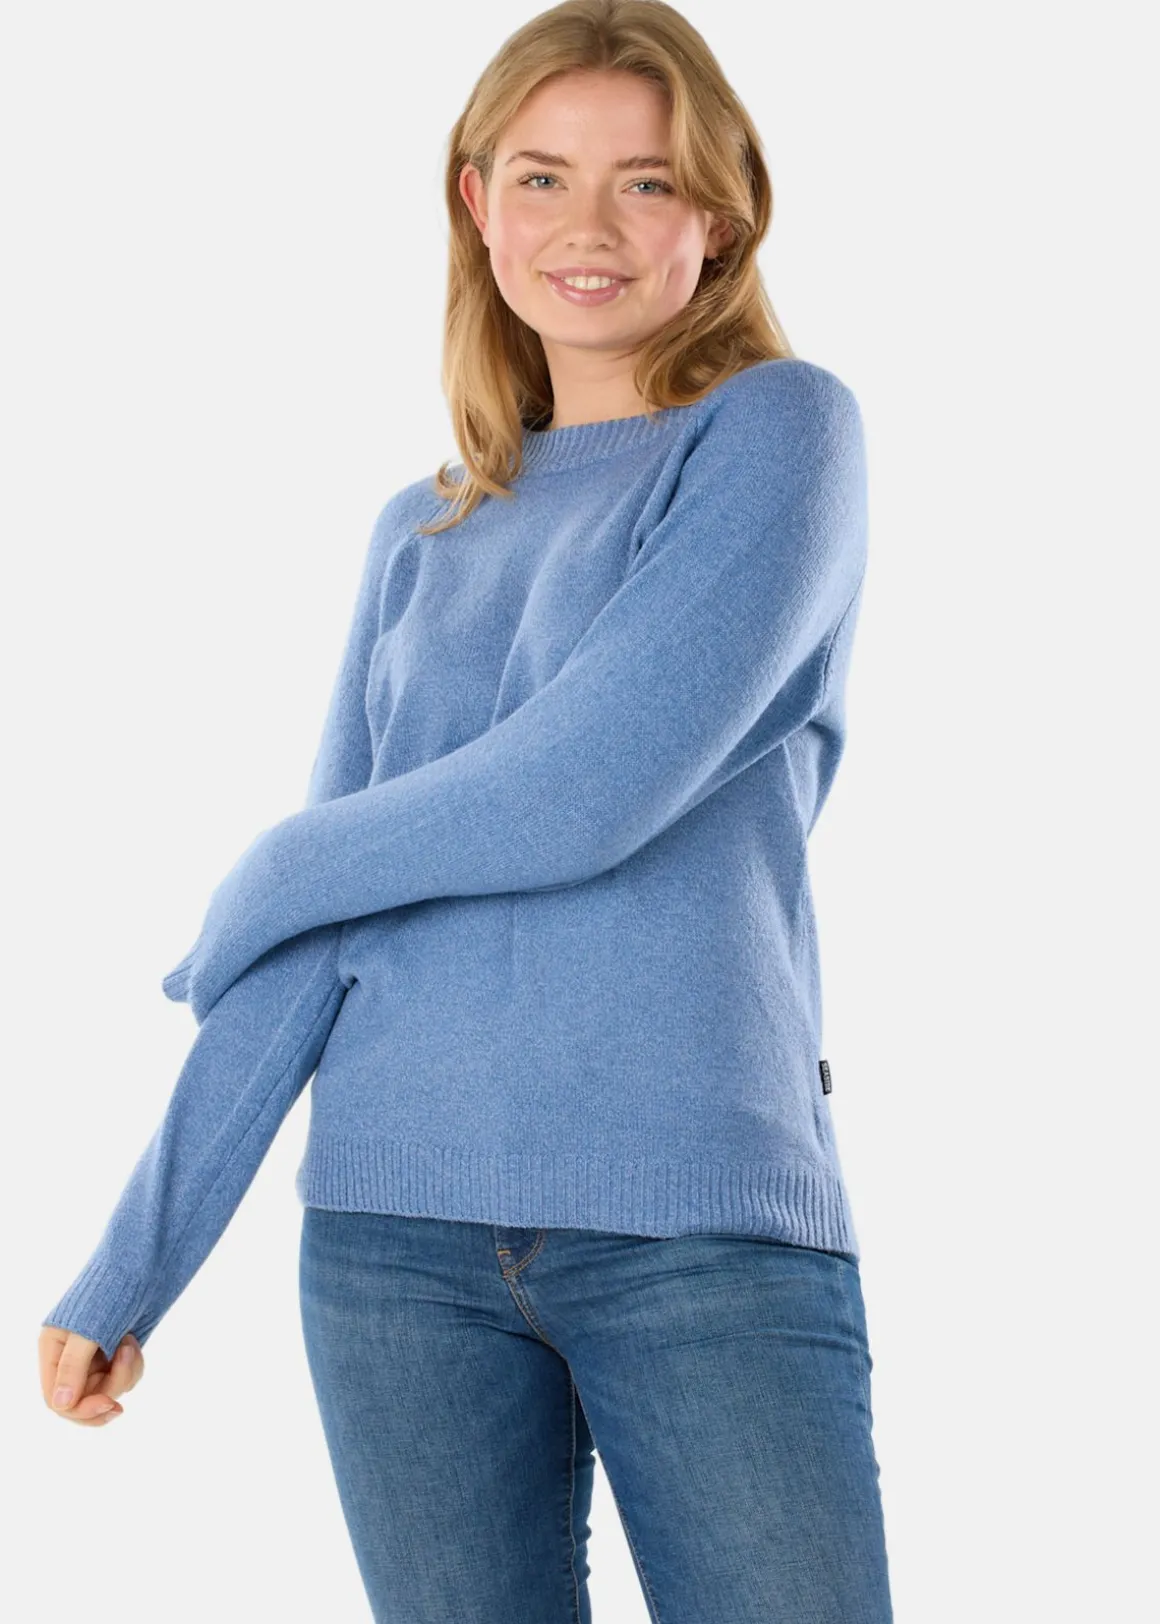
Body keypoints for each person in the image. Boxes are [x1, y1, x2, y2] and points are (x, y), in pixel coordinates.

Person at [39, 1, 894, 1617]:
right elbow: (313, 947)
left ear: (722, 217)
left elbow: (585, 791)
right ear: (476, 202)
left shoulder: (781, 434)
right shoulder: (420, 531)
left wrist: (273, 866)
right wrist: (135, 1258)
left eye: (647, 182)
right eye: (543, 176)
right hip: (390, 1243)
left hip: (692, 1224)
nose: (589, 227)